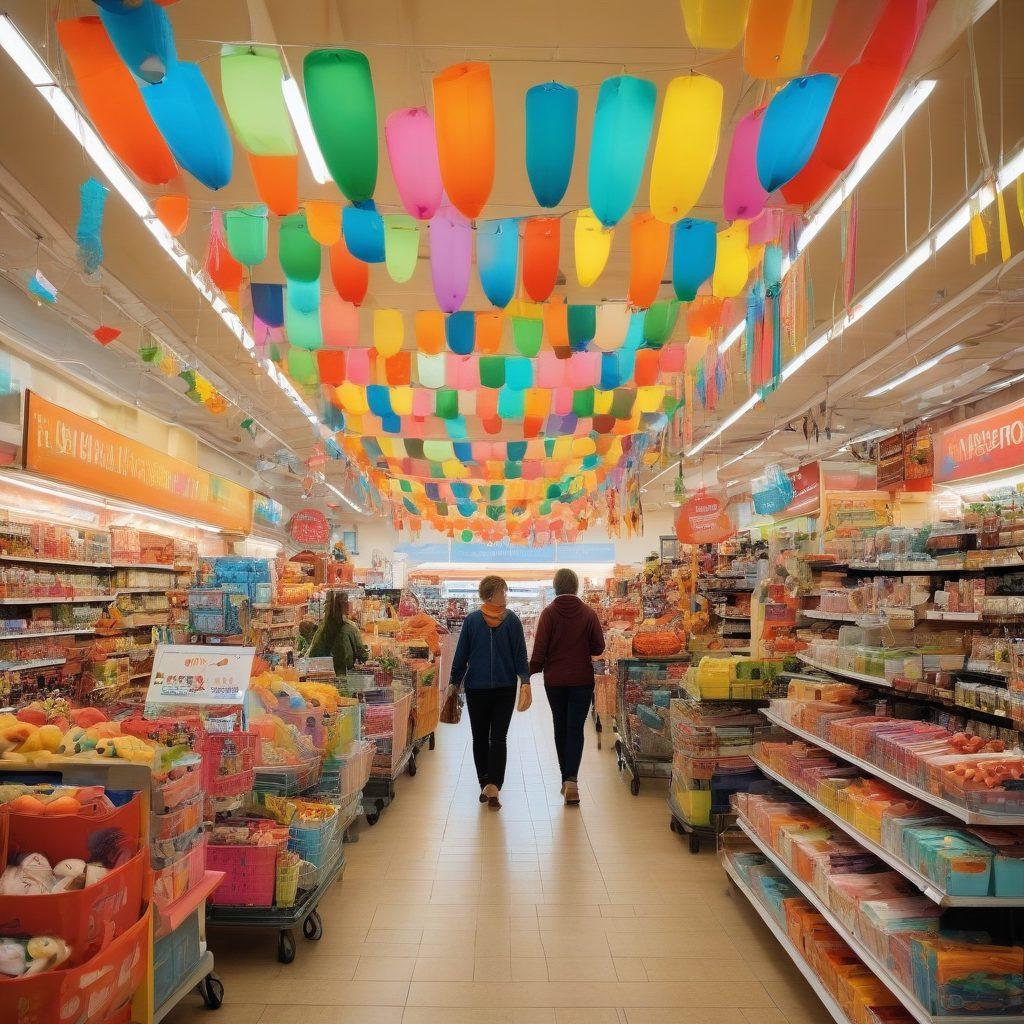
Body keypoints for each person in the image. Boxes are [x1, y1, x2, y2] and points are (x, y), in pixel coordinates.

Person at [448, 575, 530, 809]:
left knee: (497, 737)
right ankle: (485, 782)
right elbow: (461, 654)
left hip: (501, 688)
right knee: (482, 737)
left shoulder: (511, 620)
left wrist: (525, 681)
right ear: (492, 594)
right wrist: (454, 682)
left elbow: (520, 654)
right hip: (479, 688)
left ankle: (493, 785)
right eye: (503, 591)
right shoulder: (473, 621)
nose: (506, 595)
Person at [529, 568, 606, 805]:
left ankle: (566, 779)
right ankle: (571, 780)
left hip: (555, 681)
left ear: (555, 587)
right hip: (582, 680)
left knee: (560, 727)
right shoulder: (588, 613)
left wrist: (526, 674)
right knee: (575, 729)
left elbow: (539, 652)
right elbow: (599, 647)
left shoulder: (548, 614)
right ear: (576, 587)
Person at [307, 590, 369, 676]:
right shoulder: (350, 628)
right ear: (346, 606)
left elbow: (312, 654)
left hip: (321, 676)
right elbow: (363, 655)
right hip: (344, 677)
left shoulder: (321, 628)